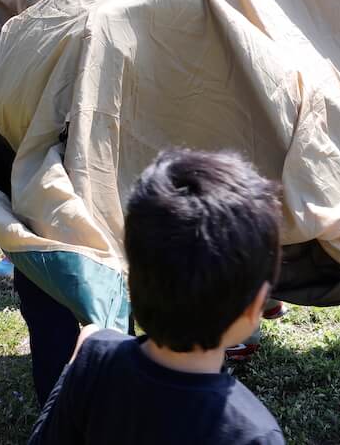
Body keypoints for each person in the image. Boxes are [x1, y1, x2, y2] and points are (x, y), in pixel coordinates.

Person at [29, 149, 285, 444]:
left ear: (132, 277)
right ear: (255, 308)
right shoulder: (253, 433)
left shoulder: (92, 357)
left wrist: (83, 358)